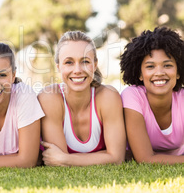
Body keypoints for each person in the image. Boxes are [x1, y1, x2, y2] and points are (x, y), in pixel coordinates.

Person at [38, 31, 125, 166]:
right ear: (58, 67)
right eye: (69, 62)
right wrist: (105, 156)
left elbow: (117, 158)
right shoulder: (49, 98)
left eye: (85, 61)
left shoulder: (108, 97)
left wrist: (67, 159)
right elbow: (55, 161)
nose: (77, 70)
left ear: (95, 65)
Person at [120, 27, 184, 164]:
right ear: (140, 74)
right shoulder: (132, 96)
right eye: (150, 67)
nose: (159, 72)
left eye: (167, 65)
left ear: (178, 72)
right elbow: (145, 159)